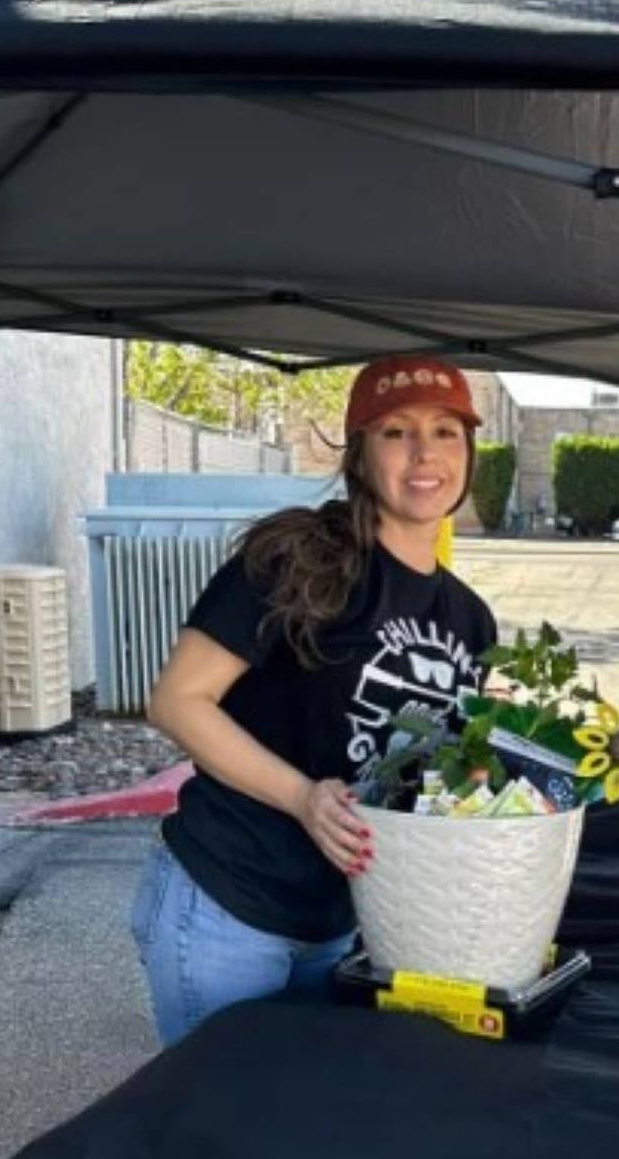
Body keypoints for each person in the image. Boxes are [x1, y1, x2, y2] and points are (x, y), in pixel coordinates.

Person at [134, 356, 498, 1047]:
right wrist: (305, 796)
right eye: (397, 431)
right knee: (218, 1125)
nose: (426, 453)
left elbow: (429, 780)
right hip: (227, 904)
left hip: (344, 924)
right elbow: (178, 700)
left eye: (447, 431)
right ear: (360, 453)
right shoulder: (298, 556)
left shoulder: (471, 620)